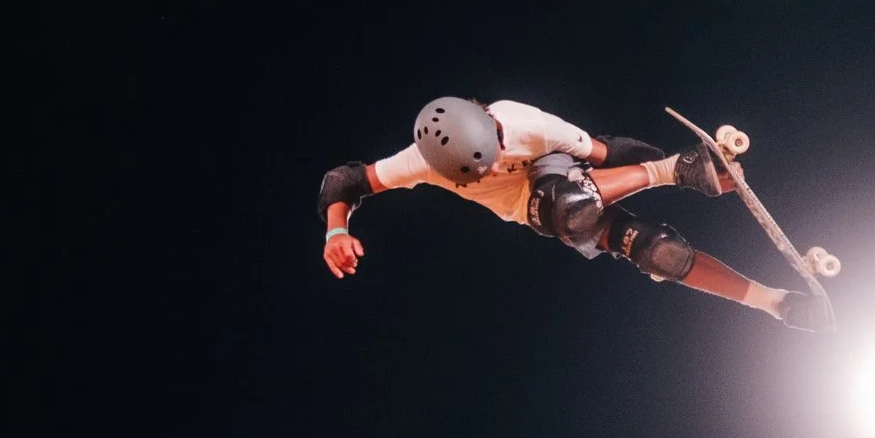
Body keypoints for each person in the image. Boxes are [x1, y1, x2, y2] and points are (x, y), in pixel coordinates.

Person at [317, 95, 830, 330]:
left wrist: (686, 166)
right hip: (532, 208)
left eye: (496, 151)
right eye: (481, 169)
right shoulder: (420, 162)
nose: (497, 164)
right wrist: (335, 229)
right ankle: (777, 303)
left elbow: (610, 152)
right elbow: (345, 180)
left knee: (568, 204)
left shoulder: (525, 124)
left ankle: (677, 170)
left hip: (559, 172)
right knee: (660, 254)